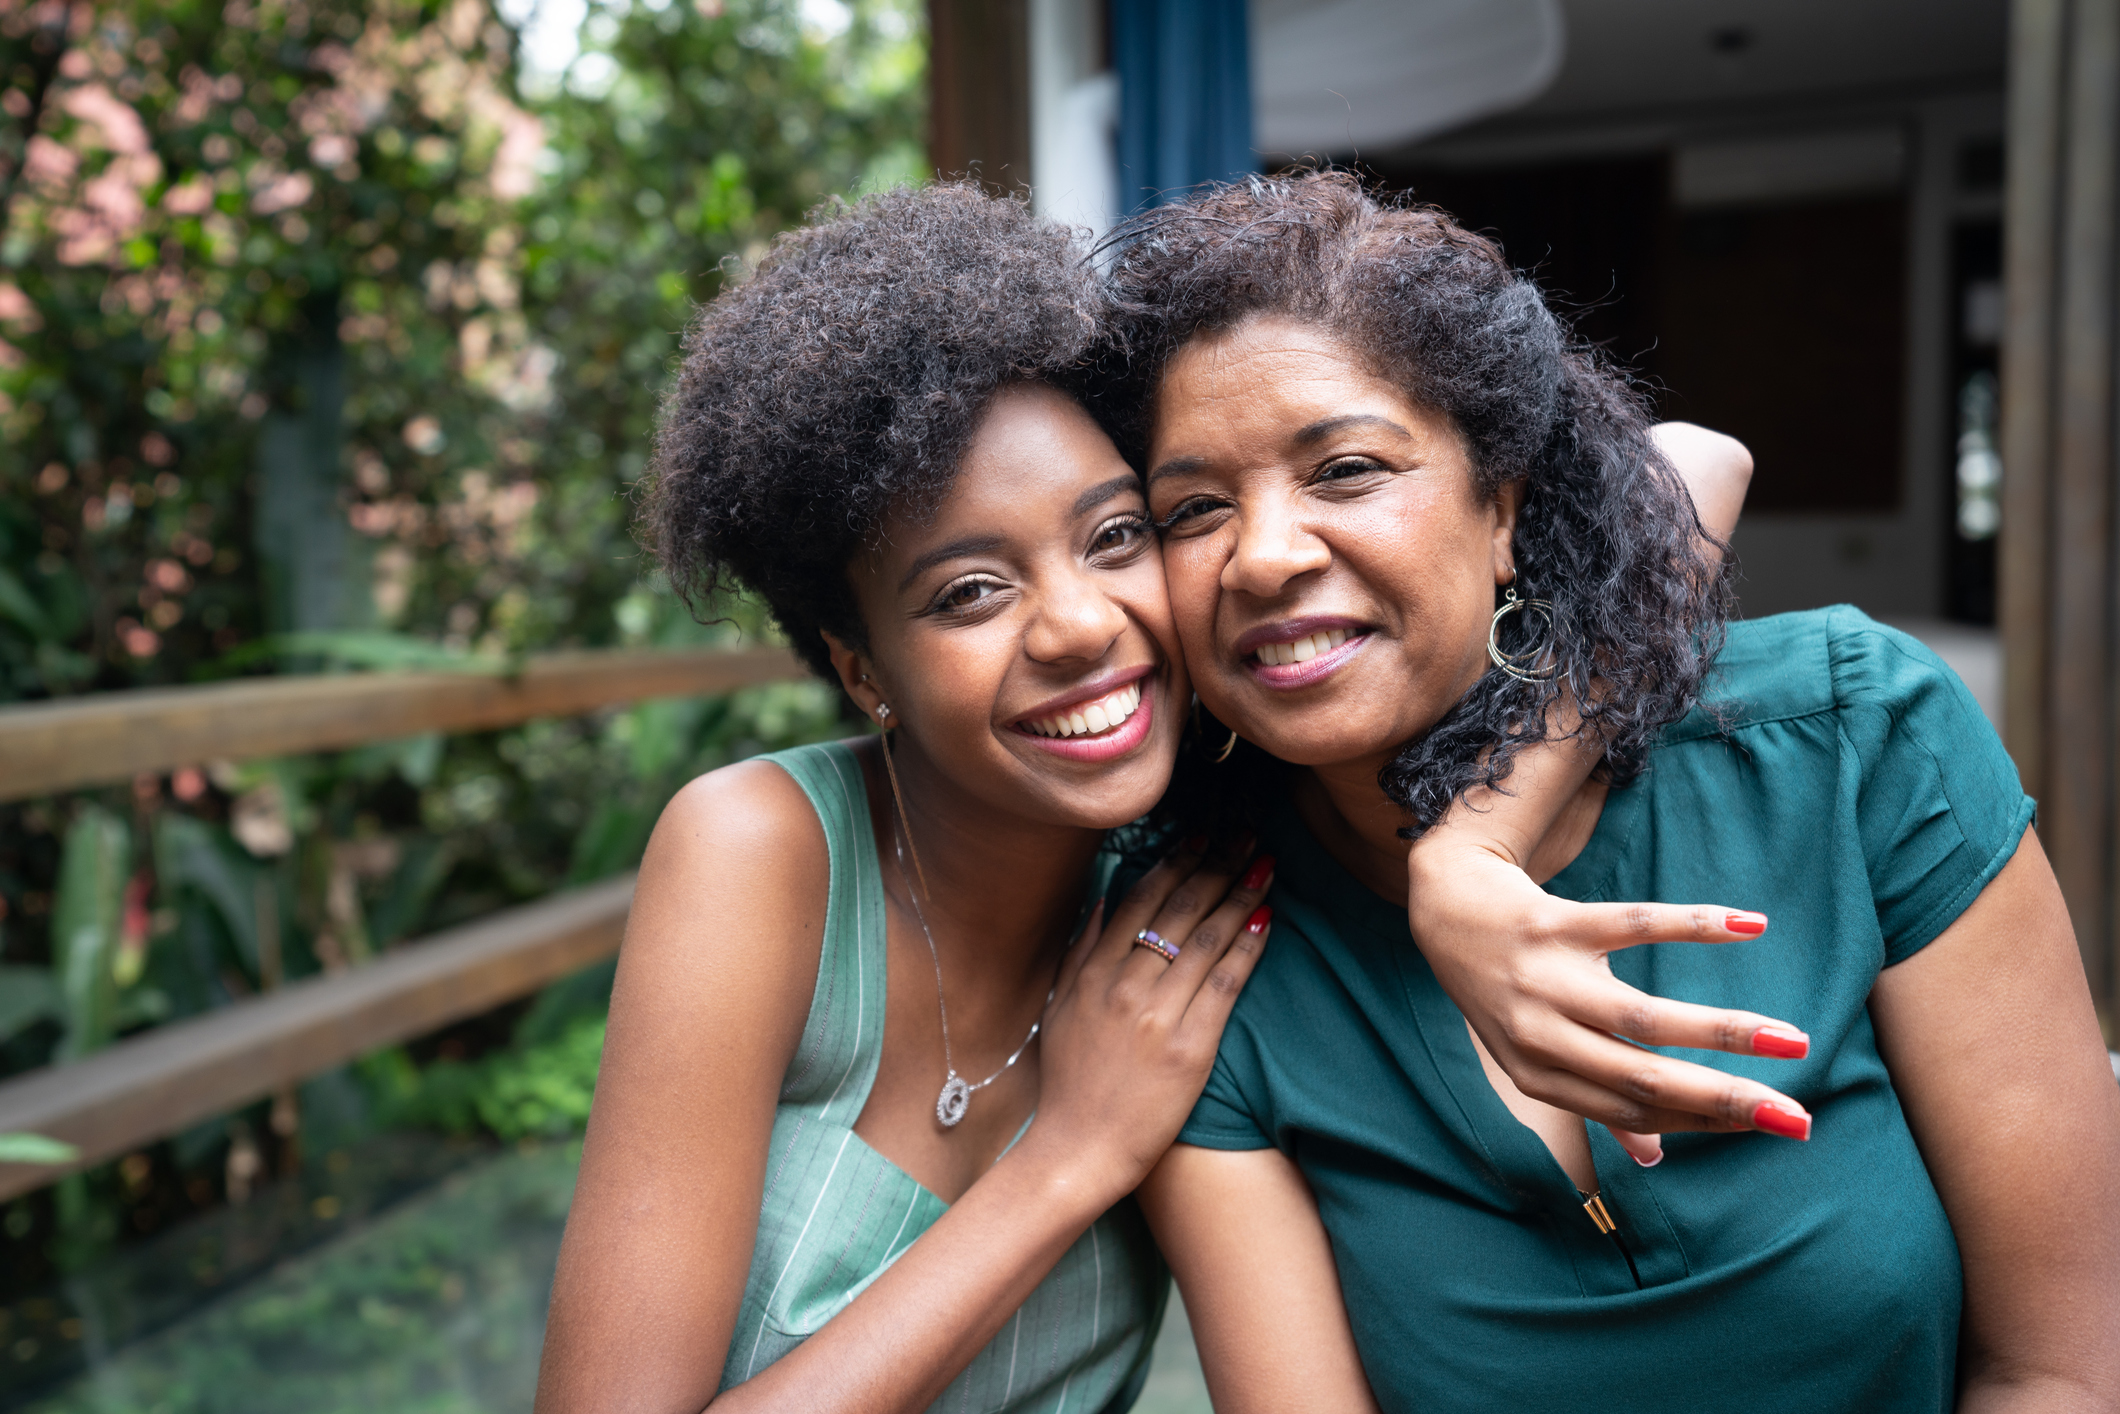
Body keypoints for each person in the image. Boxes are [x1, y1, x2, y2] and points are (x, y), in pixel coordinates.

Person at [533, 184, 1779, 1414]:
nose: (1080, 628)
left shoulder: (1208, 828)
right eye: (968, 591)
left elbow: (1692, 467)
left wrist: (1474, 845)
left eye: (1116, 536)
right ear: (862, 667)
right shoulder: (762, 850)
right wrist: (1068, 1160)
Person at [1100, 172, 2120, 1413]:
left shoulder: (1848, 739)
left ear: (1504, 507)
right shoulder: (1204, 958)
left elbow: (2059, 1369)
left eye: (1348, 469)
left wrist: (1464, 847)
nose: (1261, 553)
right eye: (1192, 508)